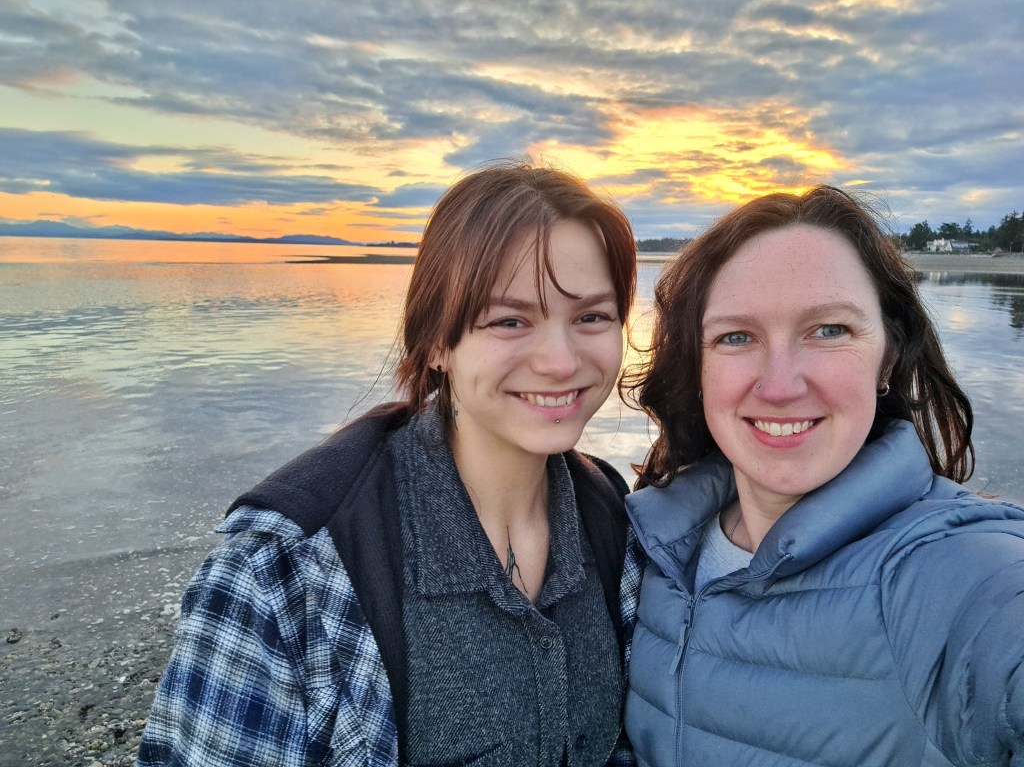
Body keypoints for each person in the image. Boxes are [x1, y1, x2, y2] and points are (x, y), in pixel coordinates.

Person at [137, 161, 642, 767]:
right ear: (436, 342)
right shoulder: (284, 572)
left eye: (591, 317)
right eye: (510, 321)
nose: (560, 361)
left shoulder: (611, 517)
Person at [621, 185, 1024, 766]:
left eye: (829, 330)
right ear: (698, 367)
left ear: (888, 357)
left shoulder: (951, 571)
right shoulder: (653, 547)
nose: (780, 386)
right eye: (736, 337)